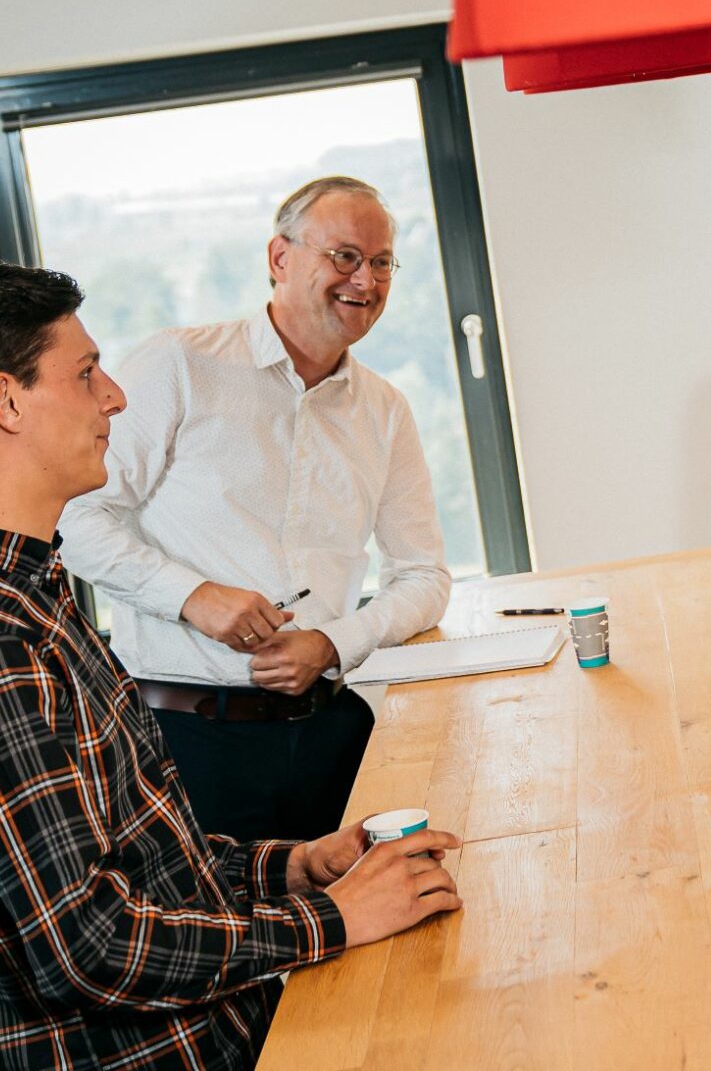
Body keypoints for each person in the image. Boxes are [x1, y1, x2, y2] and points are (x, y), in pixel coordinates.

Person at [0, 262, 460, 1070]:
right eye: (85, 375)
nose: (114, 398)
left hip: (210, 1028)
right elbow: (92, 946)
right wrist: (333, 918)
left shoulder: (30, 599)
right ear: (5, 402)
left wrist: (292, 866)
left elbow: (144, 860)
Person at [60, 176, 452, 842]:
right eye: (345, 256)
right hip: (183, 746)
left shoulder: (386, 409)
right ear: (280, 258)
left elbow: (424, 577)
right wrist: (194, 596)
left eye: (382, 261)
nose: (366, 279)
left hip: (332, 734)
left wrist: (333, 641)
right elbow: (77, 520)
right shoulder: (179, 364)